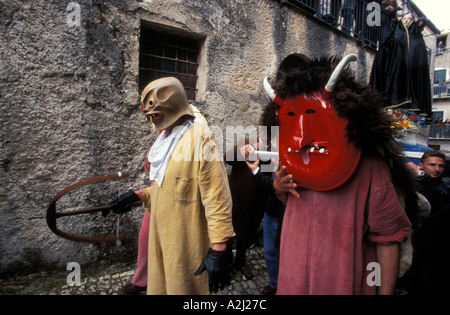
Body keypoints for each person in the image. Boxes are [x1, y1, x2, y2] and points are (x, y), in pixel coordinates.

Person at [264, 54, 416, 295]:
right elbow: (296, 208)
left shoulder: (371, 167)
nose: (303, 135)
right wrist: (279, 189)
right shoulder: (291, 159)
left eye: (313, 114)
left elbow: (387, 238)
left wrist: (385, 293)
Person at [108, 77, 235, 295]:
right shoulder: (163, 141)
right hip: (160, 245)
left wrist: (220, 248)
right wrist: (136, 197)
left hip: (185, 245)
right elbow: (167, 190)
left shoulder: (200, 138)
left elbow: (217, 197)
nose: (148, 113)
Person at [406, 150, 450, 294]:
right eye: (432, 165)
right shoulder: (412, 183)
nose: (436, 169)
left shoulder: (444, 184)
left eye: (440, 166)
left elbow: (437, 195)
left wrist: (420, 175)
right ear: (422, 165)